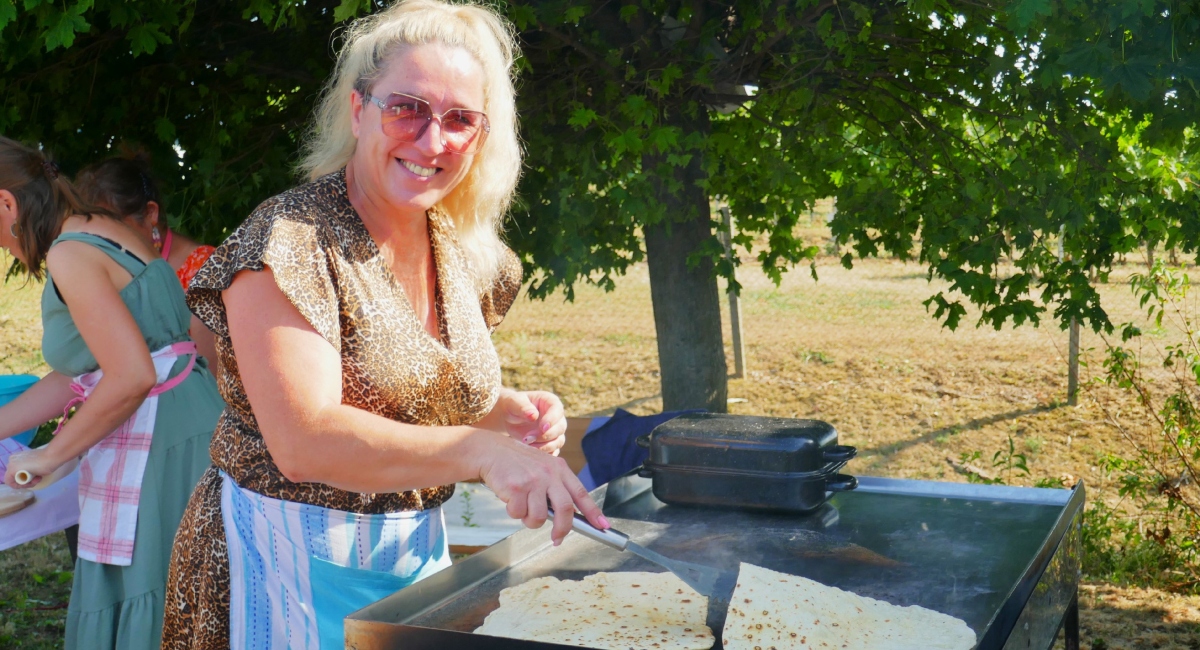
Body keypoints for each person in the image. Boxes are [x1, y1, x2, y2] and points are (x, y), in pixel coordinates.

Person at [162, 1, 608, 648]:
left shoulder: (463, 250)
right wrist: (481, 451)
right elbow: (305, 442)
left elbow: (399, 393)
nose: (433, 141)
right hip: (280, 561)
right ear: (357, 110)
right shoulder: (289, 241)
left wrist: (500, 414)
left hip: (410, 562)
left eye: (460, 119)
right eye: (407, 108)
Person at [0, 136, 222, 649]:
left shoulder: (70, 253)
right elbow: (85, 373)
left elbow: (131, 376)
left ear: (6, 204)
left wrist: (49, 455)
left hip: (162, 444)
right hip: (184, 425)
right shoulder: (101, 227)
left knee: (160, 611)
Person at [76, 157, 219, 367]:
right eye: (94, 235)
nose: (104, 244)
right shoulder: (109, 267)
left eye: (114, 230)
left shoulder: (204, 271)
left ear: (151, 213)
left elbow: (210, 376)